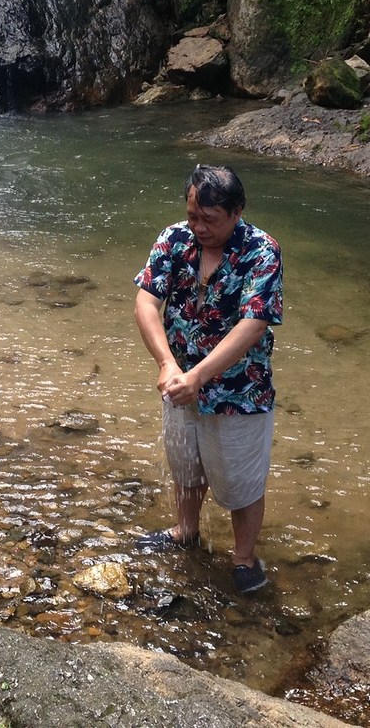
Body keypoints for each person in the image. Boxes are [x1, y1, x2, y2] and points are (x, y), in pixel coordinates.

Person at [132, 164, 282, 593]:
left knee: (241, 480)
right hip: (179, 381)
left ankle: (244, 558)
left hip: (240, 389)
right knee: (185, 464)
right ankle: (186, 531)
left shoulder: (262, 251)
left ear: (236, 212)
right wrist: (167, 364)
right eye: (193, 215)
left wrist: (199, 374)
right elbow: (146, 303)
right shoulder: (173, 238)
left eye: (209, 220)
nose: (198, 227)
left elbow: (253, 324)